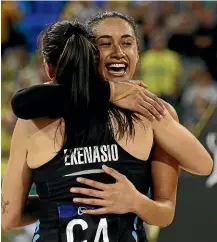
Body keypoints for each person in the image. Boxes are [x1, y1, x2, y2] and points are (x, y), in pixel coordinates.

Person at [2, 13, 213, 242]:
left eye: (127, 43)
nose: (118, 52)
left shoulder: (150, 111)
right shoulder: (48, 102)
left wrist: (135, 201)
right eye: (105, 43)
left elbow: (200, 169)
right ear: (89, 55)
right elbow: (23, 101)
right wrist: (110, 91)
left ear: (138, 53)